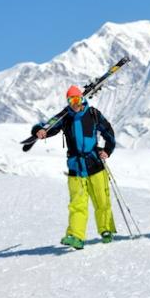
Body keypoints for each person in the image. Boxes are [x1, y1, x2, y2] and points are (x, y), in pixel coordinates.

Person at [33, 85, 116, 250]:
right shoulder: (65, 117)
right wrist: (40, 130)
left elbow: (108, 132)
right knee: (77, 203)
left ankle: (106, 230)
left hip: (95, 164)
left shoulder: (93, 114)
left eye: (77, 99)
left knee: (102, 200)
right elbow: (49, 126)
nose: (75, 104)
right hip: (75, 167)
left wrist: (107, 150)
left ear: (82, 99)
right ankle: (76, 236)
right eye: (71, 100)